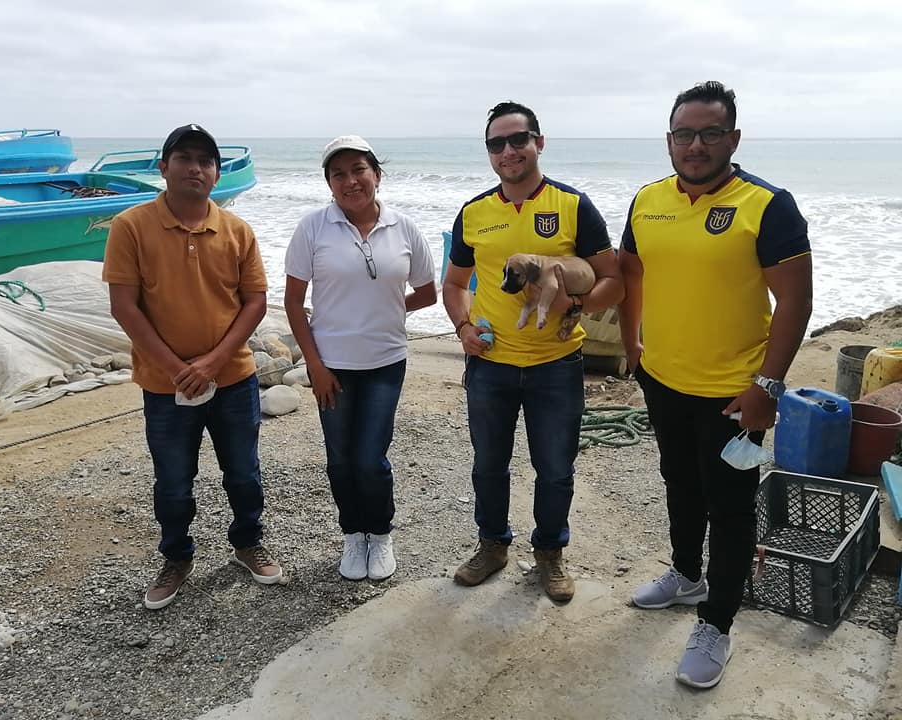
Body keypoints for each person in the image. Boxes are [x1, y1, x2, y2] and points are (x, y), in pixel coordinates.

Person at [618, 81, 812, 688]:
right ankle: (685, 575)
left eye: (710, 133)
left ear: (733, 138)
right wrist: (632, 345)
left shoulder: (767, 205)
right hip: (664, 380)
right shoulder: (648, 200)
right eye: (684, 133)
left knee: (729, 508)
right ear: (669, 139)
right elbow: (631, 273)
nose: (695, 145)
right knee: (679, 483)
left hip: (734, 392)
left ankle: (717, 623)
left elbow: (796, 302)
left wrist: (768, 387)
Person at [442, 102, 624, 603]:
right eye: (496, 143)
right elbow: (454, 283)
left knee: (556, 468)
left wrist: (577, 304)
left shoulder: (573, 205)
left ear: (538, 143)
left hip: (556, 366)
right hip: (490, 365)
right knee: (488, 465)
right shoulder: (474, 212)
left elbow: (614, 280)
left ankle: (549, 553)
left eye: (518, 139)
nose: (508, 151)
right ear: (489, 152)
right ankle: (492, 546)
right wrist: (462, 327)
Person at [103, 124, 282, 610]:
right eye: (185, 158)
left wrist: (212, 361)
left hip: (234, 379)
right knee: (173, 480)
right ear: (164, 168)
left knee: (243, 472)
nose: (195, 168)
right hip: (165, 385)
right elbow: (124, 306)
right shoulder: (131, 226)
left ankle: (248, 543)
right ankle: (176, 558)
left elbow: (255, 302)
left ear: (217, 174)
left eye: (206, 161)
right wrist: (177, 367)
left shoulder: (237, 231)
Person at [283, 135, 437, 582]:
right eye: (339, 174)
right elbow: (293, 302)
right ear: (329, 183)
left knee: (370, 458)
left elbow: (428, 292)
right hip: (331, 365)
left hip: (386, 361)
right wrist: (315, 366)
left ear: (377, 175)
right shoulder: (313, 228)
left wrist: (388, 312)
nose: (350, 181)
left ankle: (380, 533)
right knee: (339, 458)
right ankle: (353, 534)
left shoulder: (404, 228)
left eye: (359, 170)